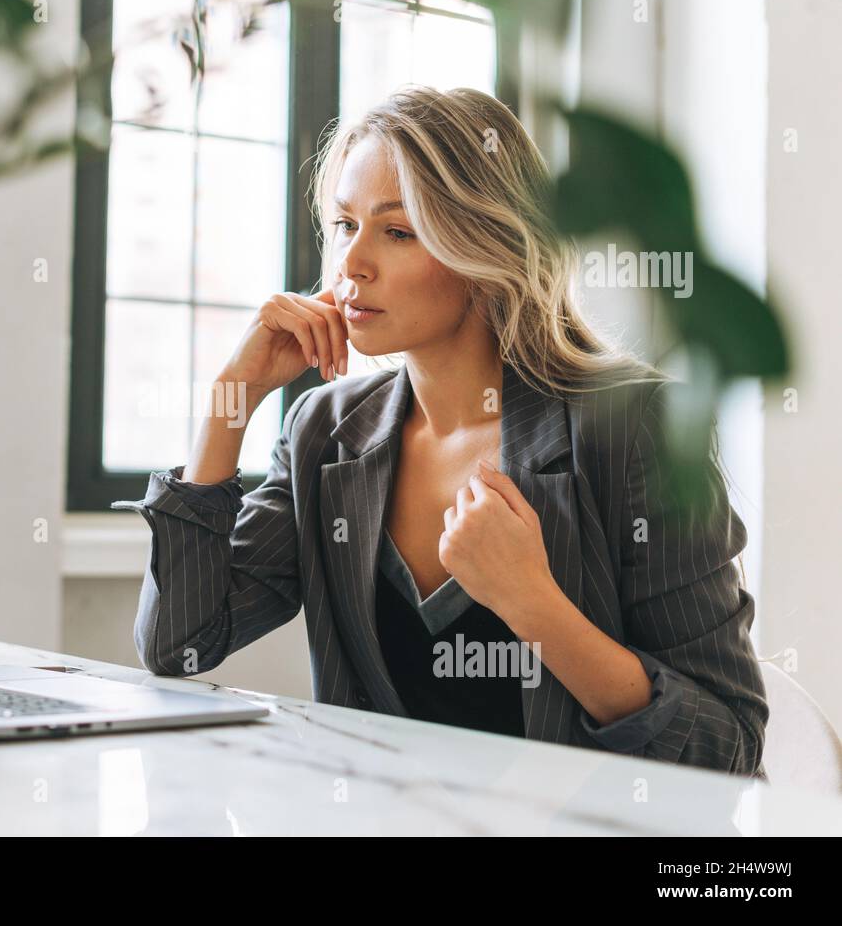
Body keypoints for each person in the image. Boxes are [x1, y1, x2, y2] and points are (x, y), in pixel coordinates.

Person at [112, 86, 768, 778]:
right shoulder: (325, 434)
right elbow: (178, 645)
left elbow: (725, 744)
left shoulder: (632, 425)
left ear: (484, 247)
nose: (350, 265)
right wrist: (230, 403)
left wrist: (533, 604)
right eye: (343, 225)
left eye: (398, 231)